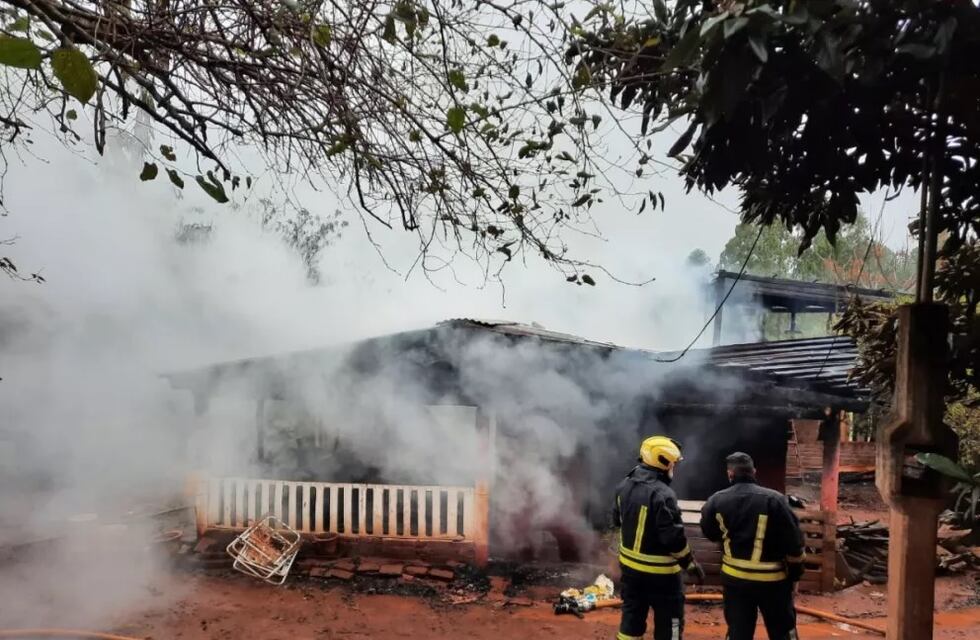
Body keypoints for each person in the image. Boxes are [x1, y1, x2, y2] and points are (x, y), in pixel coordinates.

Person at [700, 452, 806, 640]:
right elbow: (794, 544)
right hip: (773, 582)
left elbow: (710, 532)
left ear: (730, 474)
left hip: (735, 581)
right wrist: (795, 576)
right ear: (754, 472)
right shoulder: (776, 500)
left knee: (738, 632)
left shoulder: (716, 500)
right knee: (783, 630)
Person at [612, 435, 705, 640]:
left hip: (630, 571)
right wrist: (689, 563)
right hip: (662, 576)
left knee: (631, 619)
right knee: (670, 622)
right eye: (673, 463)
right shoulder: (663, 494)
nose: (674, 468)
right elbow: (673, 538)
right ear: (663, 462)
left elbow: (617, 521)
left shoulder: (623, 486)